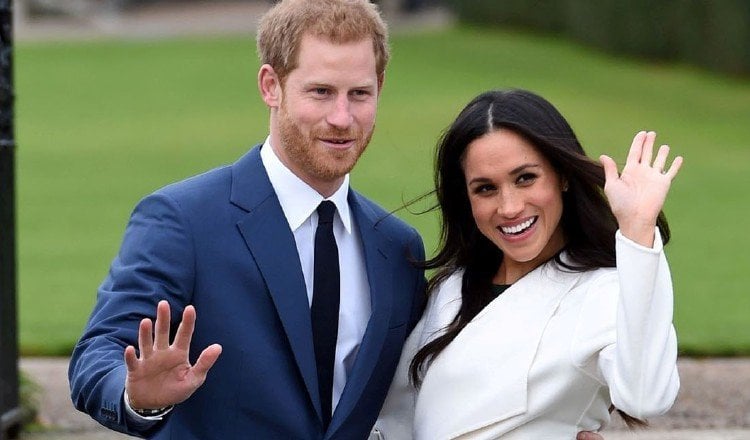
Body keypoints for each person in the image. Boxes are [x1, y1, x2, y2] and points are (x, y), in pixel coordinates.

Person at [68, 1, 427, 439]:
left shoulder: (398, 248)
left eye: (359, 94)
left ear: (380, 87)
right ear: (270, 85)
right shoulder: (182, 220)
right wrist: (137, 395)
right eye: (321, 92)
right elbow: (98, 353)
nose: (341, 118)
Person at [373, 89, 682, 439]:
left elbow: (646, 397)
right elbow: (394, 419)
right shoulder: (452, 288)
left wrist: (638, 232)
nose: (509, 207)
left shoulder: (603, 290)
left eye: (525, 178)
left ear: (562, 175)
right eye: (485, 188)